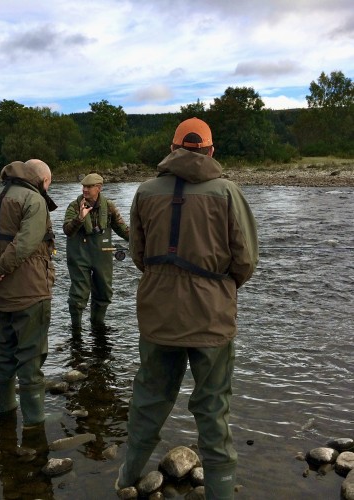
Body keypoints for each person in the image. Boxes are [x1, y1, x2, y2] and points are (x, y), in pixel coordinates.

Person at [116, 118, 259, 499]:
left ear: (172, 148)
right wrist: (219, 288)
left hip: (157, 314)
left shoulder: (144, 192)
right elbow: (245, 260)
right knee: (213, 410)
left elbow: (139, 256)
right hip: (211, 318)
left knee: (148, 399)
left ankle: (127, 478)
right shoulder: (227, 191)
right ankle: (220, 492)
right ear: (211, 151)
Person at [0, 159, 56, 428]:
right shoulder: (34, 200)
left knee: (3, 354)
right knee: (31, 361)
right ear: (43, 180)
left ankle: (7, 414)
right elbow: (25, 244)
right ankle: (35, 423)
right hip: (30, 293)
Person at [63, 173, 129, 331]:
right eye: (84, 187)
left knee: (104, 292)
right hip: (79, 254)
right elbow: (67, 230)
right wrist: (79, 218)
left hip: (102, 254)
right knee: (79, 294)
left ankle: (98, 326)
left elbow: (122, 229)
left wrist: (141, 240)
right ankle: (76, 330)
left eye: (89, 187)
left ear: (99, 188)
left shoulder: (109, 206)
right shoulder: (74, 206)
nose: (85, 190)